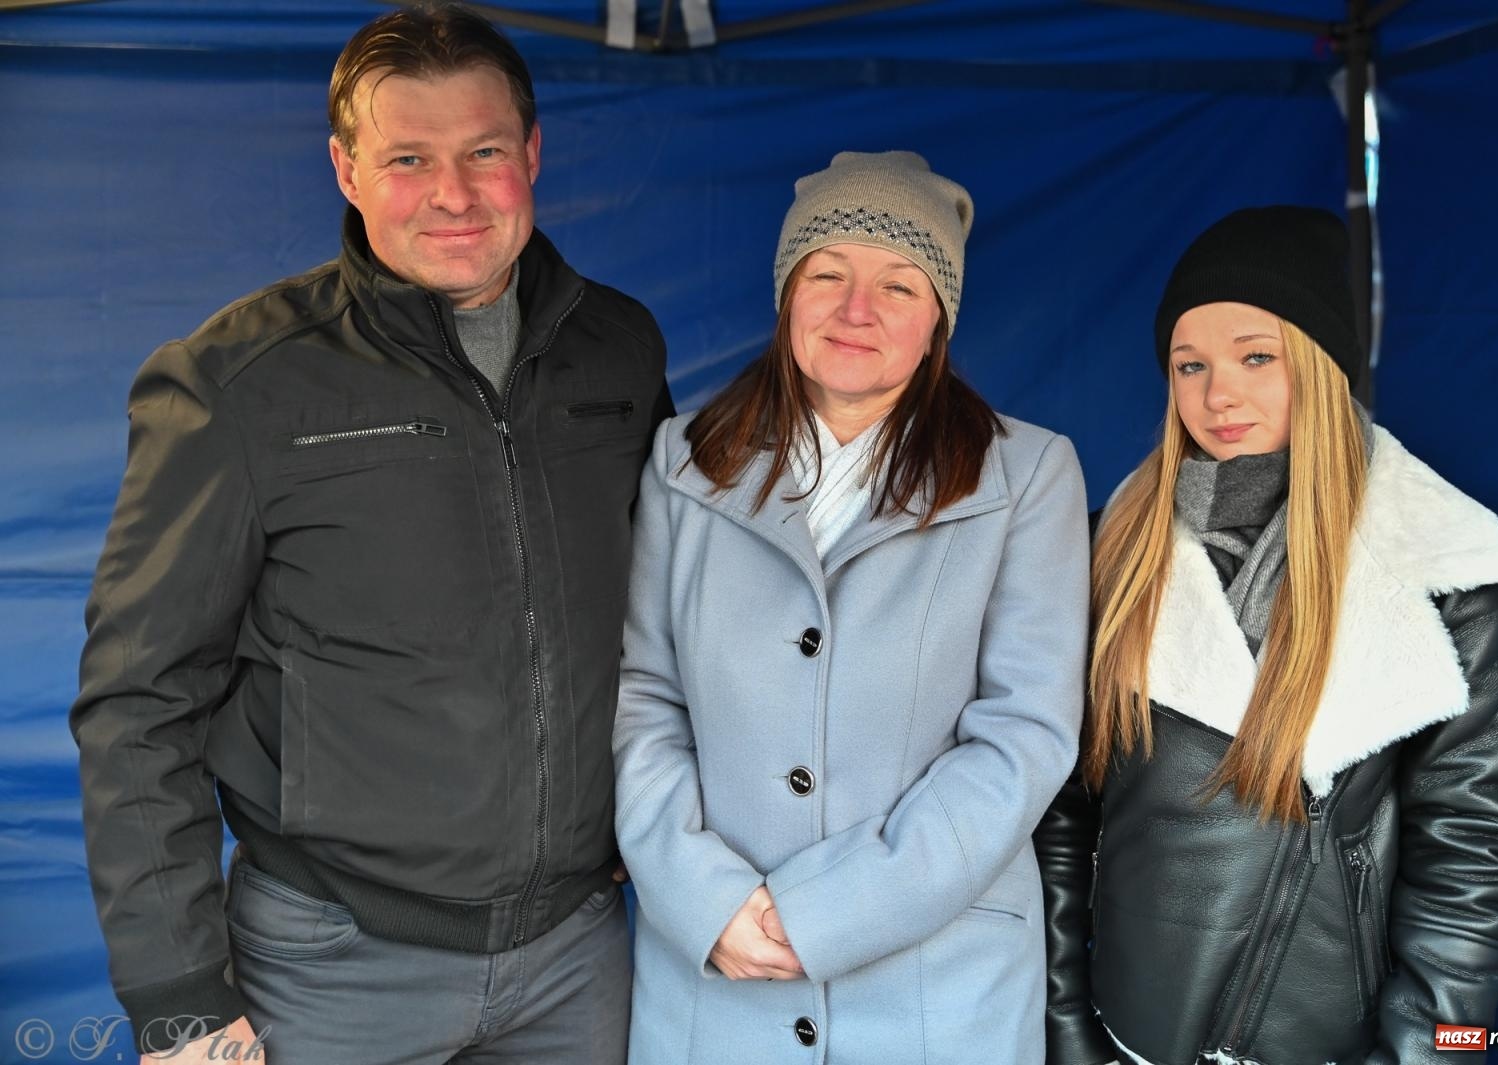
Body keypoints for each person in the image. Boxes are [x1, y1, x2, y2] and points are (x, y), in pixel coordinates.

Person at [69, 5, 671, 1062]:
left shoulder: (619, 350)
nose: (453, 194)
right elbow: (139, 698)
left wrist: (658, 828)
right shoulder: (238, 384)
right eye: (408, 159)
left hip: (577, 958)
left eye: (485, 152)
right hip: (330, 966)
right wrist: (180, 999)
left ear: (532, 153)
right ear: (346, 169)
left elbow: (674, 615)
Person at [612, 150, 1090, 1064]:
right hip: (719, 980)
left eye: (898, 284)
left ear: (938, 318)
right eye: (827, 274)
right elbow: (647, 701)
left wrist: (828, 913)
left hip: (937, 993)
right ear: (787, 294)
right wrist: (705, 901)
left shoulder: (1026, 475)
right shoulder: (683, 460)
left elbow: (1023, 735)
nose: (856, 309)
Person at [1034, 206, 1498, 1064]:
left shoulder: (1445, 567)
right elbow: (1057, 817)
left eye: (1256, 356)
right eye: (1190, 364)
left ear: (1321, 362)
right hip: (1128, 1041)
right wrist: (1069, 1031)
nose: (1217, 394)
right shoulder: (1107, 555)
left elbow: (1471, 852)